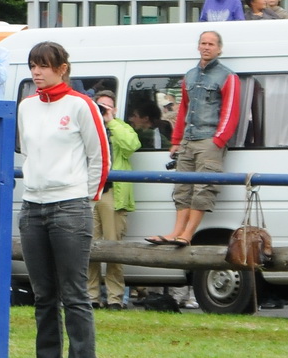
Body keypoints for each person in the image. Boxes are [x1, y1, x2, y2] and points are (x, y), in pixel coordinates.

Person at [17, 40, 108, 358]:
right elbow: (27, 152)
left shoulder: (82, 105)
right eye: (33, 66)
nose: (36, 72)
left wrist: (86, 200)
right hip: (32, 206)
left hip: (70, 206)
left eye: (43, 66)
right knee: (43, 296)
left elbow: (100, 157)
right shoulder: (26, 107)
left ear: (62, 69)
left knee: (74, 294)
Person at [147, 30, 240, 248]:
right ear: (198, 46)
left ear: (219, 49)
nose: (206, 47)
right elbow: (183, 111)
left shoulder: (228, 76)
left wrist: (219, 140)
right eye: (203, 43)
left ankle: (188, 234)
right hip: (188, 140)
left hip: (209, 140)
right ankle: (176, 232)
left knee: (203, 188)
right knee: (182, 188)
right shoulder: (189, 75)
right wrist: (176, 140)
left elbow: (231, 111)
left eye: (211, 44)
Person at [89, 91, 139, 309]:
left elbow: (131, 146)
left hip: (113, 194)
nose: (103, 110)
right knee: (88, 248)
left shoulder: (121, 127)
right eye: (100, 106)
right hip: (91, 192)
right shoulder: (89, 126)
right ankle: (91, 297)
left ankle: (115, 298)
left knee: (114, 249)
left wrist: (110, 121)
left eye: (107, 106)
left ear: (115, 109)